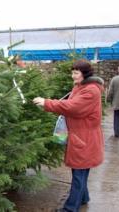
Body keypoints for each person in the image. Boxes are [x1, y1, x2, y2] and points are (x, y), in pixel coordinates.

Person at [33, 59, 104, 212]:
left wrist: (47, 103)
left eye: (76, 73)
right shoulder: (80, 86)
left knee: (79, 173)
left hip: (85, 138)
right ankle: (83, 198)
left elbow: (73, 107)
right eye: (72, 72)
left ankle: (70, 208)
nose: (73, 76)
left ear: (85, 73)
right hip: (82, 136)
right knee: (81, 171)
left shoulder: (90, 90)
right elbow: (69, 102)